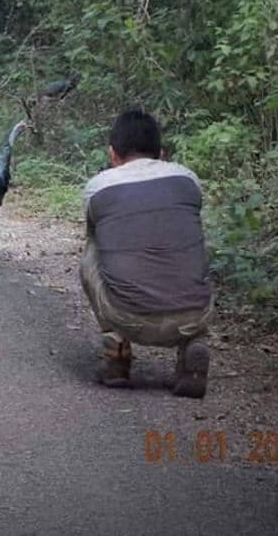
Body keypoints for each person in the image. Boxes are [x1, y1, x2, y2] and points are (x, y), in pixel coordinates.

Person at [80, 109, 214, 397]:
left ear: (112, 154)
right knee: (185, 242)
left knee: (93, 249)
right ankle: (193, 344)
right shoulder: (188, 179)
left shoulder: (98, 187)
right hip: (194, 315)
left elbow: (98, 238)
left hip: (127, 315)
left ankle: (116, 347)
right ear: (161, 153)